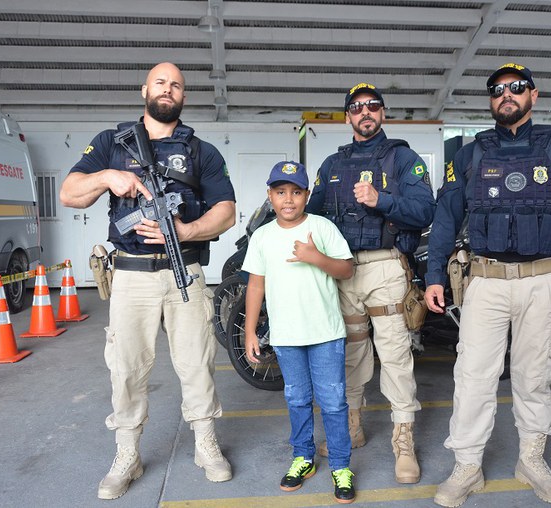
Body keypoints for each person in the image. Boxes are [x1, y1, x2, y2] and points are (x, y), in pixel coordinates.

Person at [424, 63, 551, 507]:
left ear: (534, 95)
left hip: (544, 279)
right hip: (486, 281)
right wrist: (434, 274)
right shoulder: (468, 154)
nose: (505, 95)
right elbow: (445, 220)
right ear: (491, 101)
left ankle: (531, 459)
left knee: (535, 376)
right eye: (497, 91)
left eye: (515, 88)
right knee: (473, 376)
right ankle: (467, 466)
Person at [59, 62, 236, 500]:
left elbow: (227, 211)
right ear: (145, 90)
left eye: (176, 84)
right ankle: (127, 454)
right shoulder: (110, 143)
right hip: (131, 276)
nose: (168, 89)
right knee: (126, 367)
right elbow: (69, 192)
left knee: (197, 363)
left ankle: (205, 444)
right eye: (160, 82)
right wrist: (108, 177)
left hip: (186, 270)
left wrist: (185, 230)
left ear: (183, 96)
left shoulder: (201, 151)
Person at [306, 83, 436, 484]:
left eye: (372, 106)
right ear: (348, 117)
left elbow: (426, 210)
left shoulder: (403, 158)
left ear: (383, 113)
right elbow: (312, 216)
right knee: (350, 352)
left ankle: (403, 440)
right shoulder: (331, 165)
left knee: (395, 354)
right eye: (356, 108)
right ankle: (353, 426)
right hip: (342, 271)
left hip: (385, 268)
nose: (365, 112)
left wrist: (382, 200)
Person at [242, 161, 356, 504]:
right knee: (296, 398)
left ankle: (340, 465)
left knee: (334, 401)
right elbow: (255, 287)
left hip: (325, 334)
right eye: (280, 192)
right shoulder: (262, 237)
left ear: (307, 195)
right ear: (270, 196)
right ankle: (303, 458)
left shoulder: (321, 228)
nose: (288, 199)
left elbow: (347, 269)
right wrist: (250, 332)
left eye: (295, 192)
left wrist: (315, 257)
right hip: (287, 337)